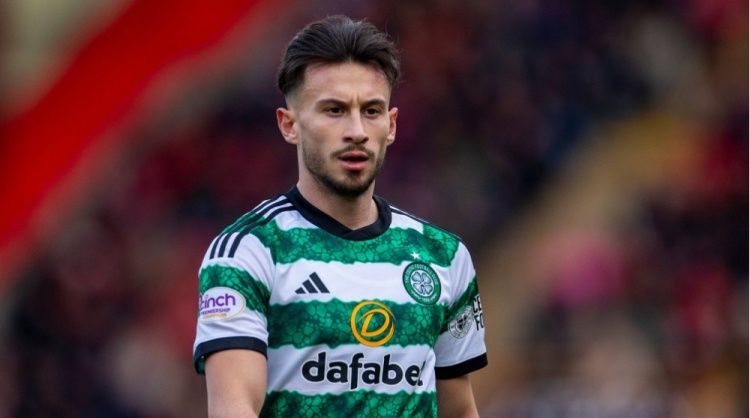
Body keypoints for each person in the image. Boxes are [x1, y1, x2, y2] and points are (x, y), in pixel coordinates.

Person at [193, 15, 487, 418]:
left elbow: (460, 411)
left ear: (391, 125)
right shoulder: (247, 255)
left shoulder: (444, 256)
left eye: (371, 111)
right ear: (290, 125)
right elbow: (234, 408)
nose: (357, 131)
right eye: (334, 110)